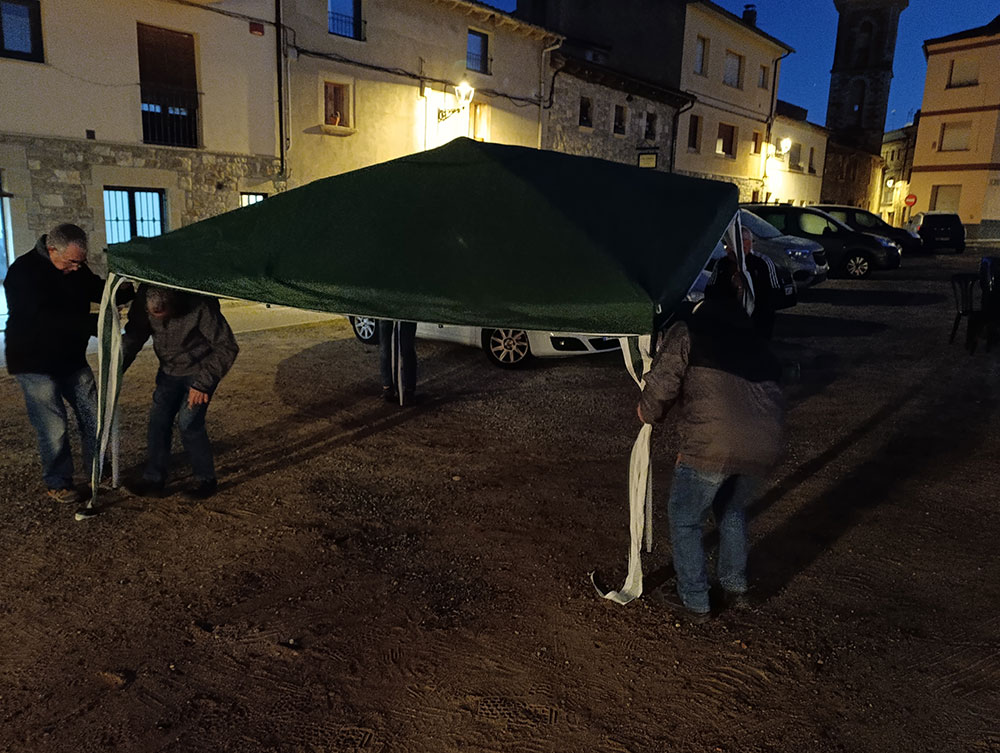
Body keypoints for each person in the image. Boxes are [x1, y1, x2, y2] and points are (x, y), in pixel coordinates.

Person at [638, 256, 785, 623]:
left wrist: (647, 411)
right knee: (731, 510)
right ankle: (735, 588)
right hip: (764, 442)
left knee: (685, 517)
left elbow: (664, 381)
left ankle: (694, 599)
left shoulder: (690, 328)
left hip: (713, 443)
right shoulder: (752, 333)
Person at [4, 224, 108, 504]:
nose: (77, 268)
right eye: (72, 262)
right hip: (34, 362)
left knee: (93, 414)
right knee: (53, 425)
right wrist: (92, 324)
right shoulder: (22, 273)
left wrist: (122, 290)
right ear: (52, 250)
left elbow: (94, 287)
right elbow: (43, 320)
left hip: (70, 358)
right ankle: (58, 481)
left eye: (81, 262)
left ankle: (98, 469)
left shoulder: (74, 267)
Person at [121, 285, 238, 499]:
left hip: (200, 371)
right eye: (154, 316)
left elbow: (227, 346)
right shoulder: (144, 298)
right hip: (169, 372)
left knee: (189, 423)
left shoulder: (200, 305)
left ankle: (206, 480)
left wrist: (203, 384)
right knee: (158, 422)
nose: (160, 322)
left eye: (164, 315)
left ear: (174, 305)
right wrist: (117, 368)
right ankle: (154, 479)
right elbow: (135, 335)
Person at [378, 319, 417, 406]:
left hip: (408, 315)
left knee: (407, 349)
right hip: (386, 315)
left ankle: (409, 390)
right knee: (385, 348)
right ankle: (387, 388)